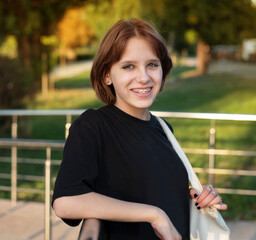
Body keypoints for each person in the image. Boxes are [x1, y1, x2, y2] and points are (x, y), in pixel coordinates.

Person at [52, 18, 227, 240]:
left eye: (152, 64)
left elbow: (154, 189)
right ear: (107, 75)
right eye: (128, 66)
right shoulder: (93, 126)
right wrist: (154, 215)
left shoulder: (163, 129)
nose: (143, 77)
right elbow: (65, 202)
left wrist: (197, 199)